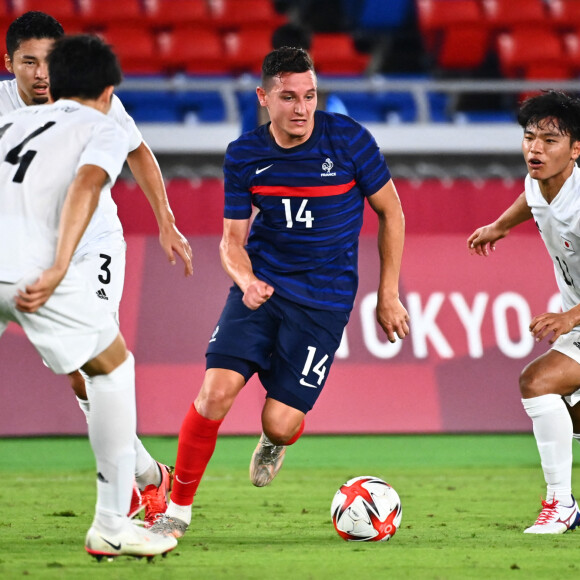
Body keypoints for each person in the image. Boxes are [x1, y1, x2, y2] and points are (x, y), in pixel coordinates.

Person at [150, 46, 409, 538]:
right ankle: (176, 510)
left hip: (324, 303)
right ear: (264, 98)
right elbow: (231, 240)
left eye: (310, 96)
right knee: (214, 394)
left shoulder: (350, 140)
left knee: (281, 422)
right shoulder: (245, 155)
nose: (302, 108)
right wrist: (246, 281)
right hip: (262, 290)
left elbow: (391, 212)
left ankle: (274, 441)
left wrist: (388, 293)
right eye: (288, 97)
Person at [1, 11, 194, 523]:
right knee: (83, 374)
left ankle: (122, 504)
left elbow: (137, 154)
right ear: (9, 64)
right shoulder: (4, 109)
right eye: (29, 63)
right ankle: (148, 477)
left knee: (92, 366)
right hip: (27, 255)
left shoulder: (94, 105)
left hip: (91, 248)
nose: (41, 74)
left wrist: (167, 221)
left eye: (49, 62)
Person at [468, 89, 580, 534]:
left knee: (536, 383)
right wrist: (499, 226)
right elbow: (531, 201)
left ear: (576, 149)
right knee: (567, 414)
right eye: (530, 137)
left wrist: (569, 318)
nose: (536, 148)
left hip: (578, 318)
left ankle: (561, 504)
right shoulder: (540, 182)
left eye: (550, 141)